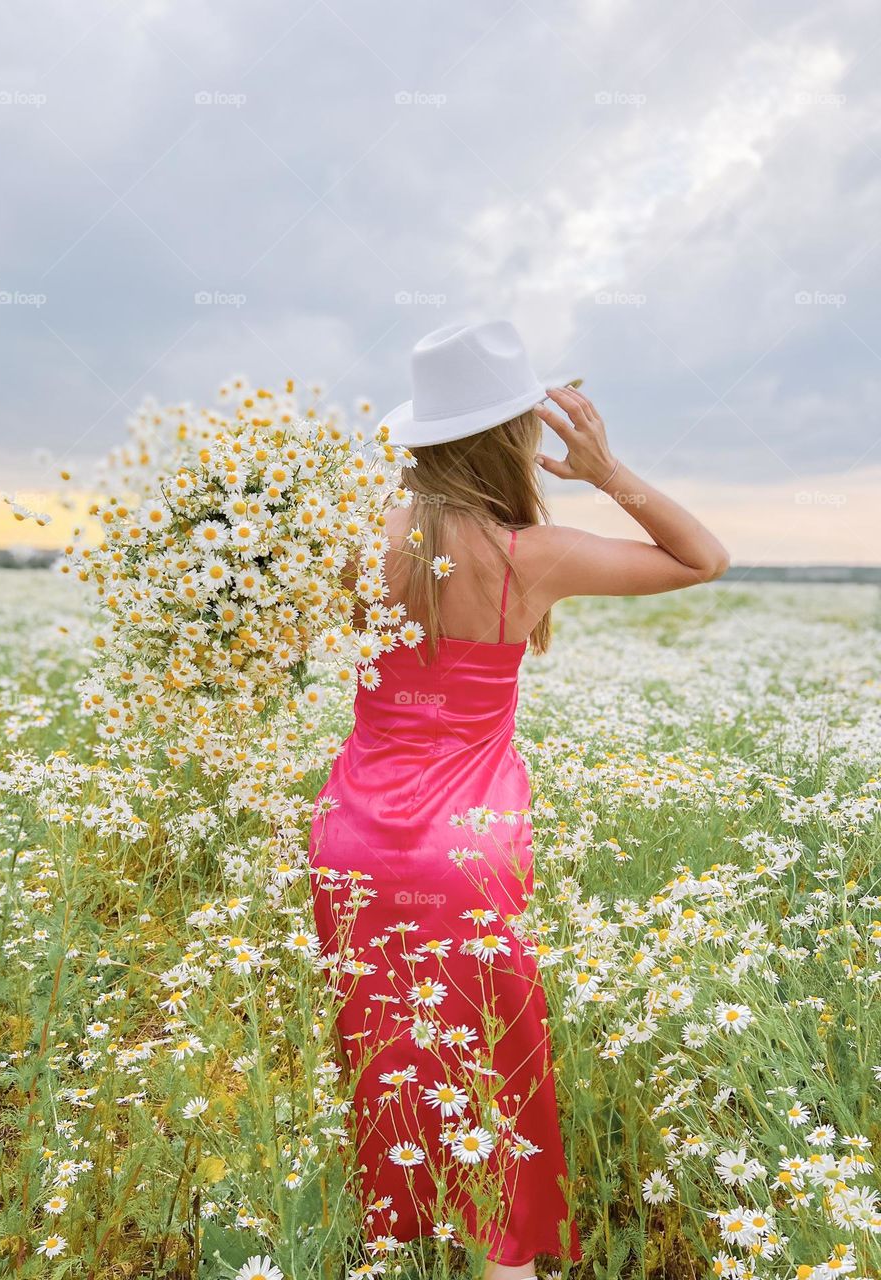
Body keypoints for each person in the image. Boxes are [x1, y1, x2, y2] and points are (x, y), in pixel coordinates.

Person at [307, 320, 729, 1276]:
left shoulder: (357, 538)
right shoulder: (529, 553)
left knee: (387, 1055)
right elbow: (704, 559)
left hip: (352, 837)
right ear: (508, 436)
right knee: (494, 1057)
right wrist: (607, 471)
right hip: (465, 848)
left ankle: (409, 1229)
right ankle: (505, 1258)